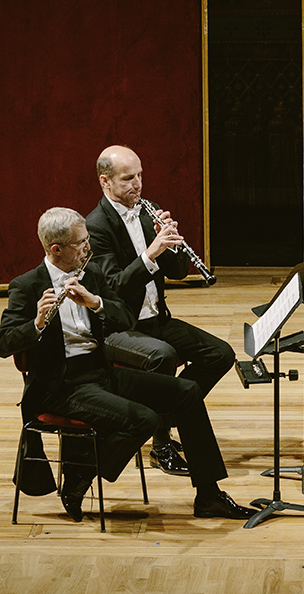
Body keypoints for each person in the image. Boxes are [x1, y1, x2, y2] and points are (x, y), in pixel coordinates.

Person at [0, 208, 254, 522]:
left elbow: (125, 318)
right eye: (80, 244)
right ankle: (78, 475)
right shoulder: (27, 286)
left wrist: (96, 303)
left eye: (88, 240)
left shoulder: (92, 273)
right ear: (55, 249)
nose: (87, 248)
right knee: (143, 419)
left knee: (188, 391)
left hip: (100, 373)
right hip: (61, 387)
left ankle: (209, 497)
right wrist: (35, 324)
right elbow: (1, 344)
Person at [85, 145, 235, 477]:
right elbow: (113, 288)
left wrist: (171, 244)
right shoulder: (96, 226)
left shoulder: (143, 212)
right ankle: (161, 444)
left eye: (140, 176)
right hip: (118, 327)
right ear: (105, 182)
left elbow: (179, 271)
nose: (137, 184)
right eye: (128, 178)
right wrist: (149, 256)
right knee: (162, 356)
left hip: (155, 319)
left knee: (220, 354)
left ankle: (168, 415)